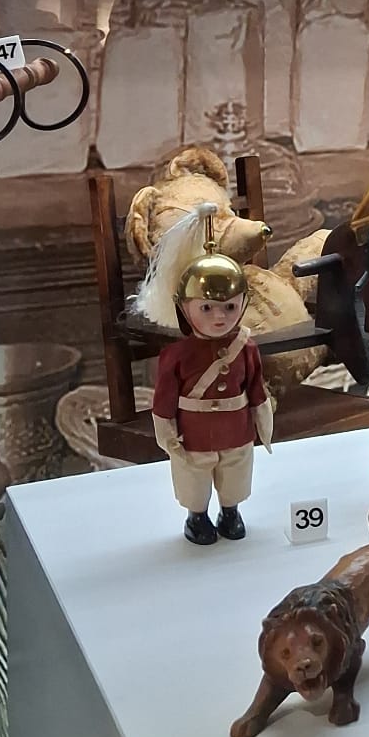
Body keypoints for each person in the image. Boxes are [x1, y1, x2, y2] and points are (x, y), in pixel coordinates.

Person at [139, 206, 274, 546]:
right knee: (194, 478)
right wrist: (167, 435)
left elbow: (256, 389)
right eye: (206, 308)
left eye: (229, 307)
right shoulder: (176, 355)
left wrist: (263, 422)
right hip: (193, 434)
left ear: (243, 304)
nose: (219, 317)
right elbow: (164, 401)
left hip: (236, 429)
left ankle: (230, 512)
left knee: (235, 471)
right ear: (184, 307)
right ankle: (197, 517)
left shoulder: (247, 348)